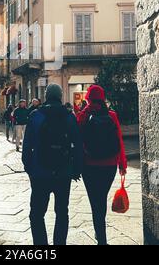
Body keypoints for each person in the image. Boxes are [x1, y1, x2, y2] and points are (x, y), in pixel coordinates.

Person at [22, 84, 83, 246]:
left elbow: (27, 145)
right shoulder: (69, 116)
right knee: (62, 213)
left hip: (40, 172)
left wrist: (29, 169)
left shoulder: (36, 115)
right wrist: (76, 170)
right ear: (61, 96)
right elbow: (78, 145)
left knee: (36, 214)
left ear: (47, 95)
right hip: (63, 172)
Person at [77, 85, 127, 246]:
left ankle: (101, 236)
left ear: (88, 99)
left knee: (95, 201)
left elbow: (77, 140)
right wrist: (122, 164)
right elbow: (119, 140)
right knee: (102, 198)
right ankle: (101, 235)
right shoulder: (112, 115)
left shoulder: (84, 116)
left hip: (89, 165)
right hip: (109, 165)